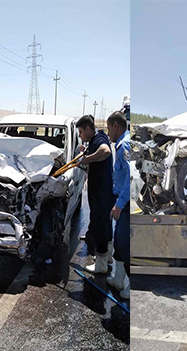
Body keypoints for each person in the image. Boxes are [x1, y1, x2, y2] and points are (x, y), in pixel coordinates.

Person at [76, 115, 114, 274]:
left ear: (88, 129)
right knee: (105, 225)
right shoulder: (97, 138)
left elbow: (105, 151)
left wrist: (87, 159)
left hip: (101, 192)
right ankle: (108, 257)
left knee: (99, 225)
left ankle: (101, 265)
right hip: (103, 191)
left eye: (80, 132)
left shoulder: (99, 140)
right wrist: (86, 152)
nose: (80, 136)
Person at [106, 111, 131, 299]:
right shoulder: (122, 143)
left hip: (126, 203)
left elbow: (130, 178)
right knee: (119, 241)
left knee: (123, 243)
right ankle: (119, 279)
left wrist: (120, 205)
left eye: (109, 129)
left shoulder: (124, 146)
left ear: (116, 126)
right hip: (121, 200)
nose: (108, 134)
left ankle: (130, 287)